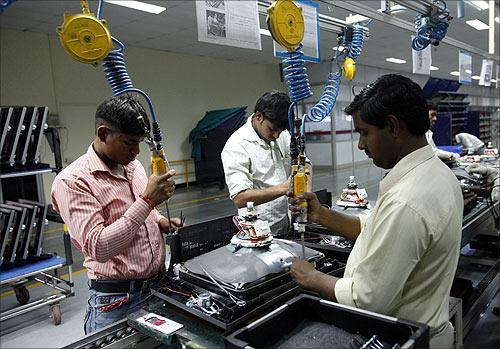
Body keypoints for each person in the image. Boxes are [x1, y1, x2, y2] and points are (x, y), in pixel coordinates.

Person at [289, 75, 463, 348]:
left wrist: (312, 277)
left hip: (404, 338)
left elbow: (367, 299)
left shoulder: (407, 200)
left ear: (393, 126)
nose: (361, 144)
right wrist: (321, 214)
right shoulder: (436, 172)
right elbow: (376, 227)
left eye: (365, 132)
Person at [51, 95, 181, 334]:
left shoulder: (134, 166)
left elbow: (140, 212)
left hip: (159, 287)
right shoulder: (73, 181)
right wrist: (149, 200)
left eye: (140, 142)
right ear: (103, 134)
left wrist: (160, 221)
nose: (136, 151)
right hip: (119, 301)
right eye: (129, 142)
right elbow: (98, 247)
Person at [221, 90, 312, 236]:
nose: (276, 136)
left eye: (281, 131)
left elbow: (305, 163)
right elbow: (240, 198)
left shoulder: (282, 135)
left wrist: (304, 193)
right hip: (258, 234)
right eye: (272, 129)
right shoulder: (236, 146)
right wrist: (284, 188)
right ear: (259, 117)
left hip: (288, 226)